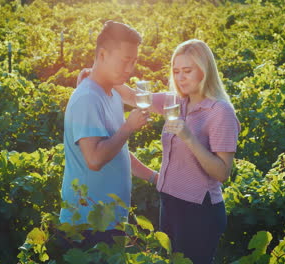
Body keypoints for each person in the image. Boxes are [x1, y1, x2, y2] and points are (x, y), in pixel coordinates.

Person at [78, 39, 240, 263]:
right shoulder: (175, 102)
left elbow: (222, 173)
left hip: (199, 211)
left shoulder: (220, 112)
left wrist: (189, 138)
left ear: (204, 71)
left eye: (187, 71)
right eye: (176, 71)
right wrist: (98, 74)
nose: (180, 77)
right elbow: (134, 97)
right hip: (170, 203)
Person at [59, 20, 159, 248]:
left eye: (134, 62)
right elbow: (94, 159)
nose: (130, 69)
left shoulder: (111, 93)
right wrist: (128, 127)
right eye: (125, 61)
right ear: (102, 55)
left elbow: (116, 149)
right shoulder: (88, 98)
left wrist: (153, 177)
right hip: (86, 228)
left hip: (108, 224)